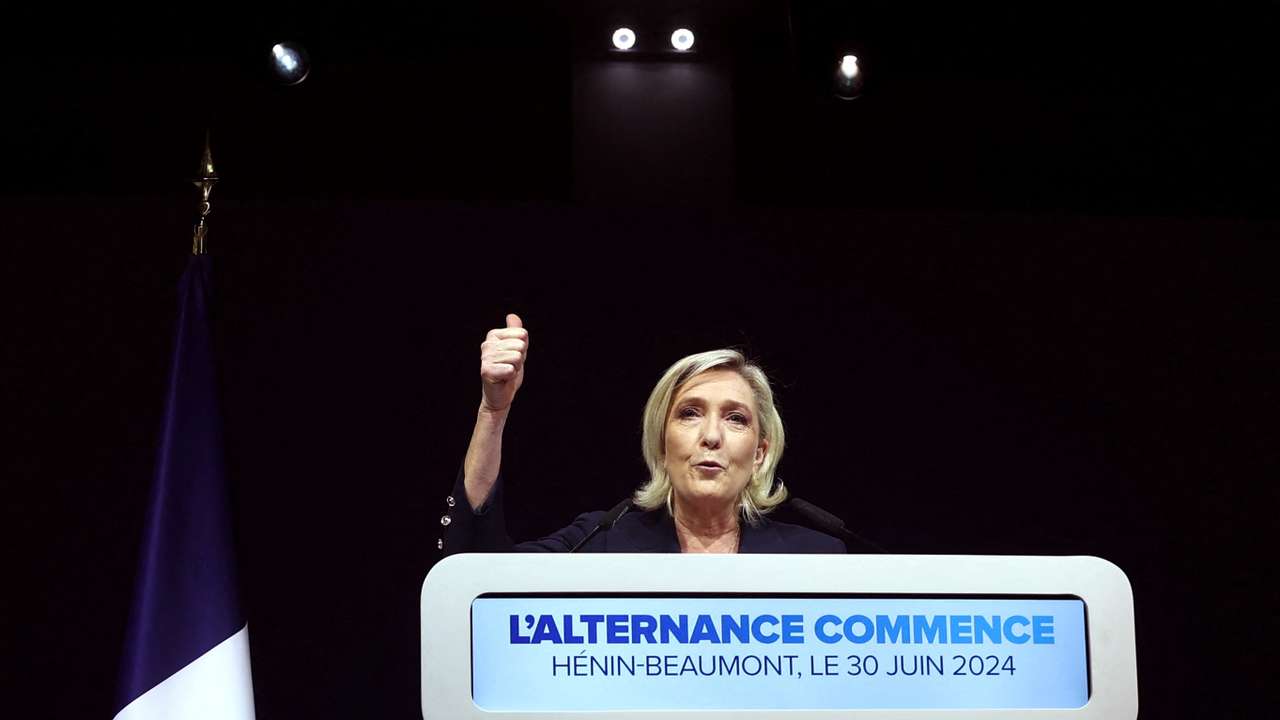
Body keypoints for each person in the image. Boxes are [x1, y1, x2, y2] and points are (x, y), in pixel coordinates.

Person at [436, 314, 844, 554]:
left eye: (736, 418)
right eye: (689, 414)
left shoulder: (815, 555)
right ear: (662, 445)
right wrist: (494, 410)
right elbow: (476, 568)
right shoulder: (605, 541)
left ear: (759, 453)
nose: (712, 436)